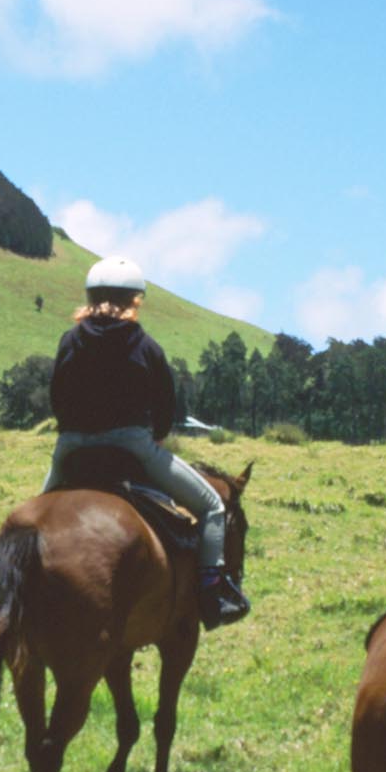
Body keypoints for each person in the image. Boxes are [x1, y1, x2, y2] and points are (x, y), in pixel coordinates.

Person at [42, 256, 250, 628]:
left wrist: (75, 431)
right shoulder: (145, 345)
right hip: (132, 446)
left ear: (90, 296)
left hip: (71, 449)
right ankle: (212, 592)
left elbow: (57, 397)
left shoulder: (69, 341)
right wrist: (152, 436)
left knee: (36, 518)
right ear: (134, 300)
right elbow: (165, 407)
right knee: (212, 507)